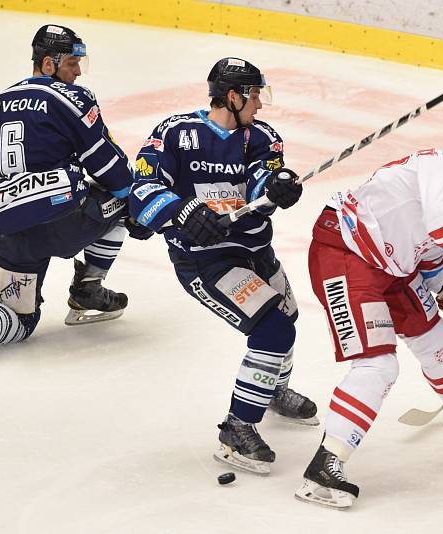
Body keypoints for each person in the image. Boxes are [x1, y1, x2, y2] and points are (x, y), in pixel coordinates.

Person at [295, 147, 443, 509]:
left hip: (393, 267)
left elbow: (428, 251)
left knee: (437, 341)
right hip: (345, 253)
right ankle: (325, 464)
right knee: (379, 365)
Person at [128, 57, 317, 476]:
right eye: (253, 96)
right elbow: (141, 187)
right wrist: (181, 212)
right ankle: (237, 428)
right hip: (205, 261)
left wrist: (277, 187)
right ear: (231, 97)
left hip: (254, 251)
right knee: (273, 330)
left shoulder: (262, 136)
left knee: (288, 315)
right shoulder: (175, 133)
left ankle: (270, 390)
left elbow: (261, 180)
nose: (260, 105)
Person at [0, 24, 148, 363]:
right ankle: (88, 289)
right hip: (64, 218)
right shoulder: (72, 97)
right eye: (71, 64)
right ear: (48, 64)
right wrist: (140, 207)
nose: (78, 72)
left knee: (19, 318)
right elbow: (109, 167)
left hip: (10, 228)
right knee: (127, 199)